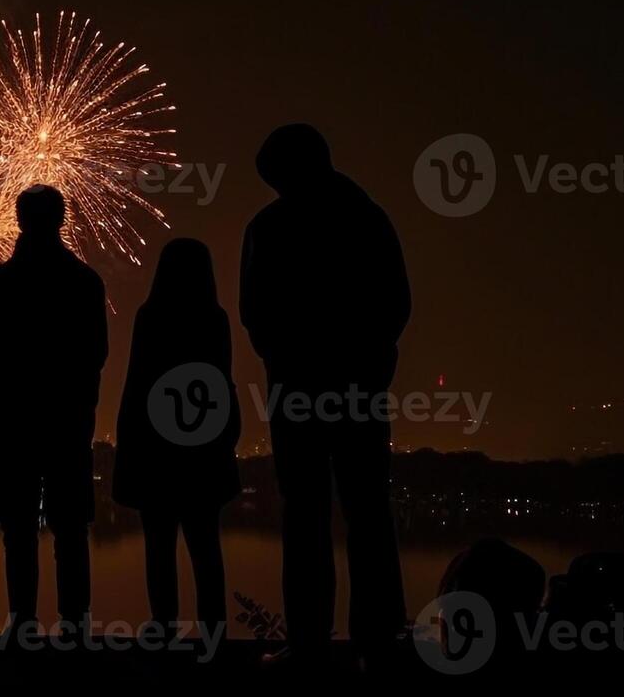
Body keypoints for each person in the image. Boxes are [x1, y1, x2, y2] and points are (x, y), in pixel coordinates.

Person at [239, 124, 410, 664]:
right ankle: (378, 639)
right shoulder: (369, 217)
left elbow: (255, 311)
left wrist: (285, 358)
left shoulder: (270, 226)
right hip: (359, 387)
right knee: (368, 512)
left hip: (298, 389)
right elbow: (395, 303)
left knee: (305, 514)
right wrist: (372, 360)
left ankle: (310, 640)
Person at [0, 185, 108, 635]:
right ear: (62, 220)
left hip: (13, 422)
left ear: (19, 220)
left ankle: (22, 623)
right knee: (71, 533)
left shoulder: (1, 282)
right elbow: (96, 353)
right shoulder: (85, 281)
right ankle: (75, 626)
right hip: (68, 422)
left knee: (18, 531)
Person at [112, 237, 239, 635]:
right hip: (203, 451)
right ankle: (213, 630)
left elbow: (137, 385)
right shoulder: (215, 318)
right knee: (206, 546)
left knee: (159, 544)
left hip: (155, 452)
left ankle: (164, 625)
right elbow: (222, 385)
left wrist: (128, 447)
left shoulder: (150, 317)